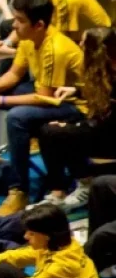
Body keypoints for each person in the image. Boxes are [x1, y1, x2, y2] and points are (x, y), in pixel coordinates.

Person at [0, 0, 85, 216]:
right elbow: (15, 74)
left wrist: (0, 99)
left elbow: (44, 97)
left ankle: (18, 190)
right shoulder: (29, 39)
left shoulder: (55, 48)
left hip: (74, 104)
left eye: (20, 20)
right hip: (50, 95)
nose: (14, 25)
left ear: (39, 25)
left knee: (17, 117)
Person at [42, 28, 116, 212]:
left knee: (53, 133)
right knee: (57, 129)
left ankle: (79, 185)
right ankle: (70, 186)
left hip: (110, 137)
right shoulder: (104, 70)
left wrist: (76, 126)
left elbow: (108, 121)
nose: (79, 45)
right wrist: (76, 90)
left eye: (83, 42)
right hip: (101, 128)